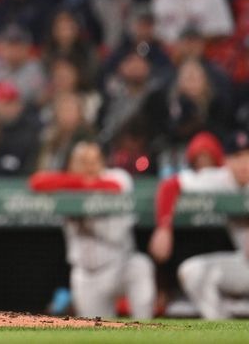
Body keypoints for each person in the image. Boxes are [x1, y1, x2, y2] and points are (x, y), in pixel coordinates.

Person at [30, 141, 156, 319]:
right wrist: (78, 183)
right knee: (98, 334)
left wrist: (84, 202)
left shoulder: (118, 177)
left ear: (102, 161)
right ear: (72, 164)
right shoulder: (68, 186)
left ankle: (147, 331)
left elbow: (114, 187)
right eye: (82, 161)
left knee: (142, 266)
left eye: (94, 160)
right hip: (86, 275)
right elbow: (37, 182)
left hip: (120, 264)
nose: (89, 166)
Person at [148, 131, 249, 319]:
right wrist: (164, 227)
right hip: (245, 264)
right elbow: (170, 185)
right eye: (237, 156)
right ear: (226, 161)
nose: (244, 163)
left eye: (248, 156)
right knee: (192, 271)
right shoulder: (220, 178)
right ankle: (224, 328)